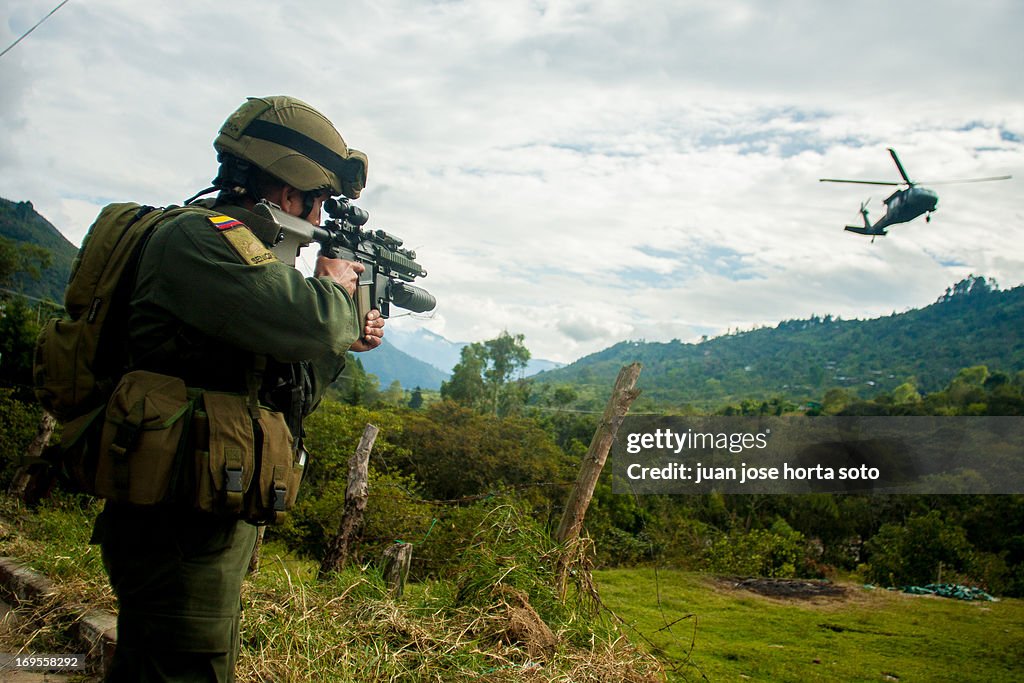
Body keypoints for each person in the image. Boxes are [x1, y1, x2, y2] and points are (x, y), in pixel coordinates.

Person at [89, 95, 383, 682]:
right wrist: (332, 295)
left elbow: (287, 392)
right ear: (287, 189)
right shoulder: (201, 237)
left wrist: (340, 341)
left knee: (166, 659)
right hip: (177, 511)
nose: (320, 219)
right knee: (185, 667)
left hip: (205, 501)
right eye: (319, 200)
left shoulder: (242, 258)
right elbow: (316, 320)